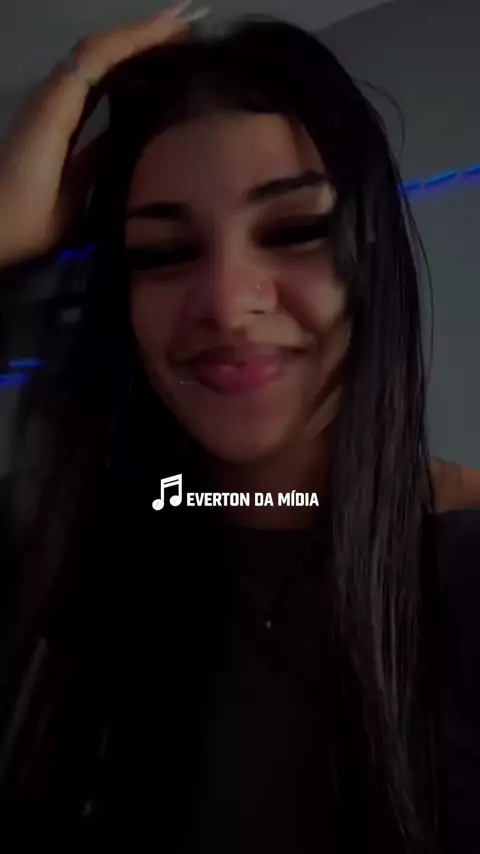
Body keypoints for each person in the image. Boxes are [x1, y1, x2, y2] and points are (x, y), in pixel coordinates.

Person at [0, 4, 479, 851]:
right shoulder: (43, 546)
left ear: (373, 256)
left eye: (293, 231)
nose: (226, 303)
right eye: (163, 252)